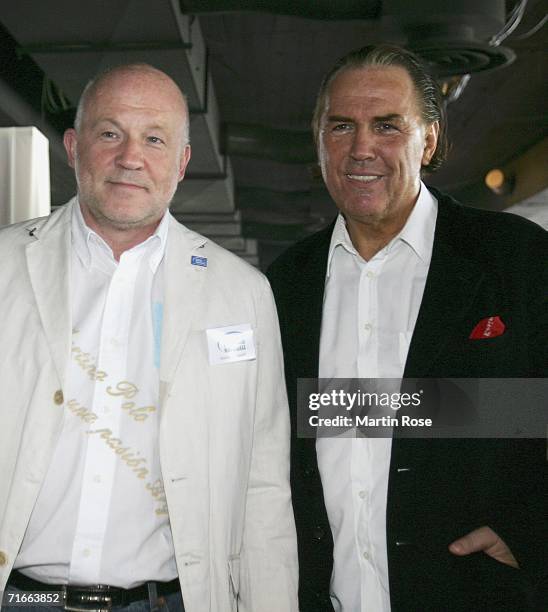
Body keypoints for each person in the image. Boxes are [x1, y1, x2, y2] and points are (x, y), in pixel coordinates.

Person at [0, 63, 298, 612]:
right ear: (73, 147)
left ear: (182, 162)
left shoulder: (243, 295)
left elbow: (263, 490)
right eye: (109, 133)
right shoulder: (4, 266)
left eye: (154, 139)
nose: (130, 157)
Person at [267, 44, 546, 612]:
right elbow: (282, 440)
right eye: (340, 126)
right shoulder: (284, 284)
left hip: (475, 595)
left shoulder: (515, 259)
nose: (361, 148)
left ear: (432, 139)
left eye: (388, 125)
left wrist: (532, 536)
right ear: (319, 140)